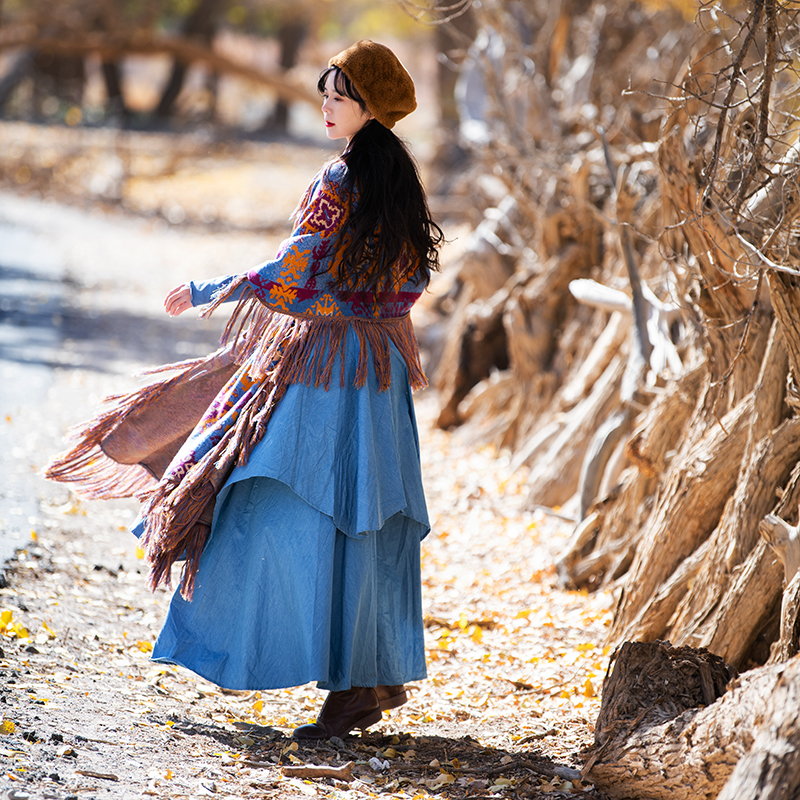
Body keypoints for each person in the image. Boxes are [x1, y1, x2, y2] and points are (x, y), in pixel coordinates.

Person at [46, 40, 444, 740]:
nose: (326, 105)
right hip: (377, 375)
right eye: (325, 92)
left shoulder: (340, 176)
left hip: (324, 369)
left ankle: (347, 680)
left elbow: (296, 270)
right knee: (362, 516)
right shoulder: (399, 179)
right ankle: (366, 679)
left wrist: (215, 287)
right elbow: (404, 282)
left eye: (339, 95)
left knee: (261, 496)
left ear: (369, 107)